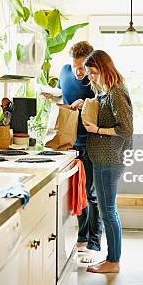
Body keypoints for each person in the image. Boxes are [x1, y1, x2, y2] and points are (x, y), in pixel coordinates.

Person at [42, 41, 103, 262]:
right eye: (75, 66)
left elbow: (103, 102)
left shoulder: (95, 77)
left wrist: (85, 101)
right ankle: (83, 236)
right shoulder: (65, 71)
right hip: (69, 141)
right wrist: (53, 96)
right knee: (77, 193)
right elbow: (62, 94)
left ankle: (94, 243)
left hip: (91, 142)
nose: (78, 72)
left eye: (82, 68)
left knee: (91, 193)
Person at [82, 50, 133, 274]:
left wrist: (97, 130)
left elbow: (126, 129)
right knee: (108, 210)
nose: (90, 77)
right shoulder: (107, 92)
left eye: (93, 72)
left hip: (109, 160)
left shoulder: (116, 93)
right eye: (88, 73)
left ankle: (113, 261)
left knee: (107, 211)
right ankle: (112, 259)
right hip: (103, 158)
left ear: (104, 69)